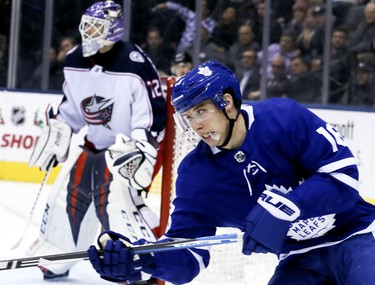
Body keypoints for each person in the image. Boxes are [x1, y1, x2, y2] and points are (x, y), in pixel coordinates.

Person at [87, 60, 375, 284]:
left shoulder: (282, 118)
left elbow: (343, 177)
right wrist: (144, 259)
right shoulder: (197, 176)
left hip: (358, 235)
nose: (196, 126)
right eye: (188, 117)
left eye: (201, 111)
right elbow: (190, 255)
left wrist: (289, 207)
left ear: (226, 101)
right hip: (299, 259)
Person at [27, 0, 166, 282]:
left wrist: (142, 144)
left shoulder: (135, 63)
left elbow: (153, 115)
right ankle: (59, 250)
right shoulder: (74, 60)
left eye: (96, 26)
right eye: (86, 24)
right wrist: (60, 129)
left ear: (113, 29)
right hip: (92, 144)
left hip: (124, 152)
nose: (88, 30)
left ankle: (134, 256)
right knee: (69, 192)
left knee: (116, 203)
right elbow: (71, 110)